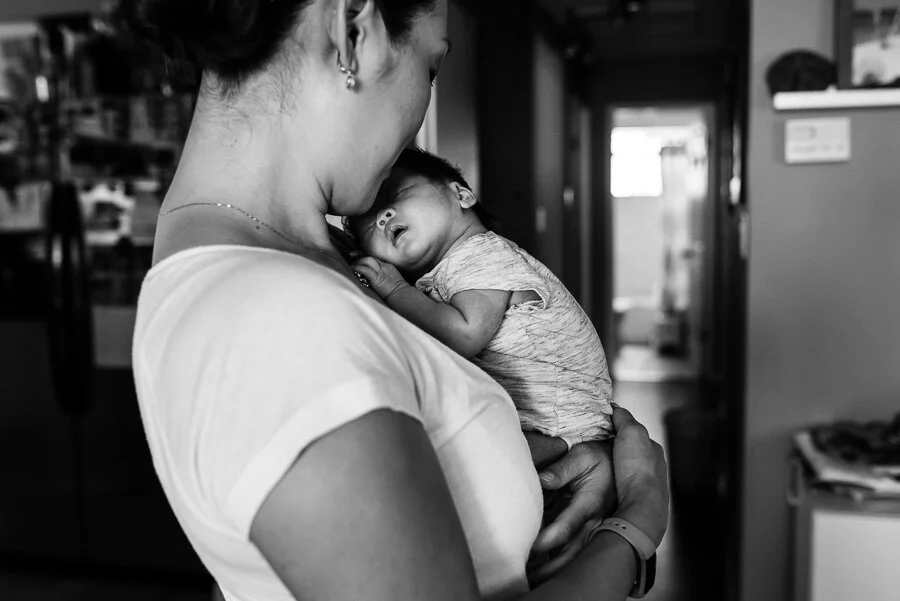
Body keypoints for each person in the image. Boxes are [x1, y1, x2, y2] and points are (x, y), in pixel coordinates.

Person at [125, 1, 669, 600]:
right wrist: (636, 524)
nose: (419, 117)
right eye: (431, 67)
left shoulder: (301, 262)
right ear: (353, 30)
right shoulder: (282, 320)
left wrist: (572, 459)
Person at [346, 147, 614, 460]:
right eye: (368, 223)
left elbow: (465, 334)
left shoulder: (481, 255)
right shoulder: (446, 271)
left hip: (560, 424)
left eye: (399, 193)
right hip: (545, 421)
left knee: (456, 458)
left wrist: (391, 286)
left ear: (461, 195)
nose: (383, 216)